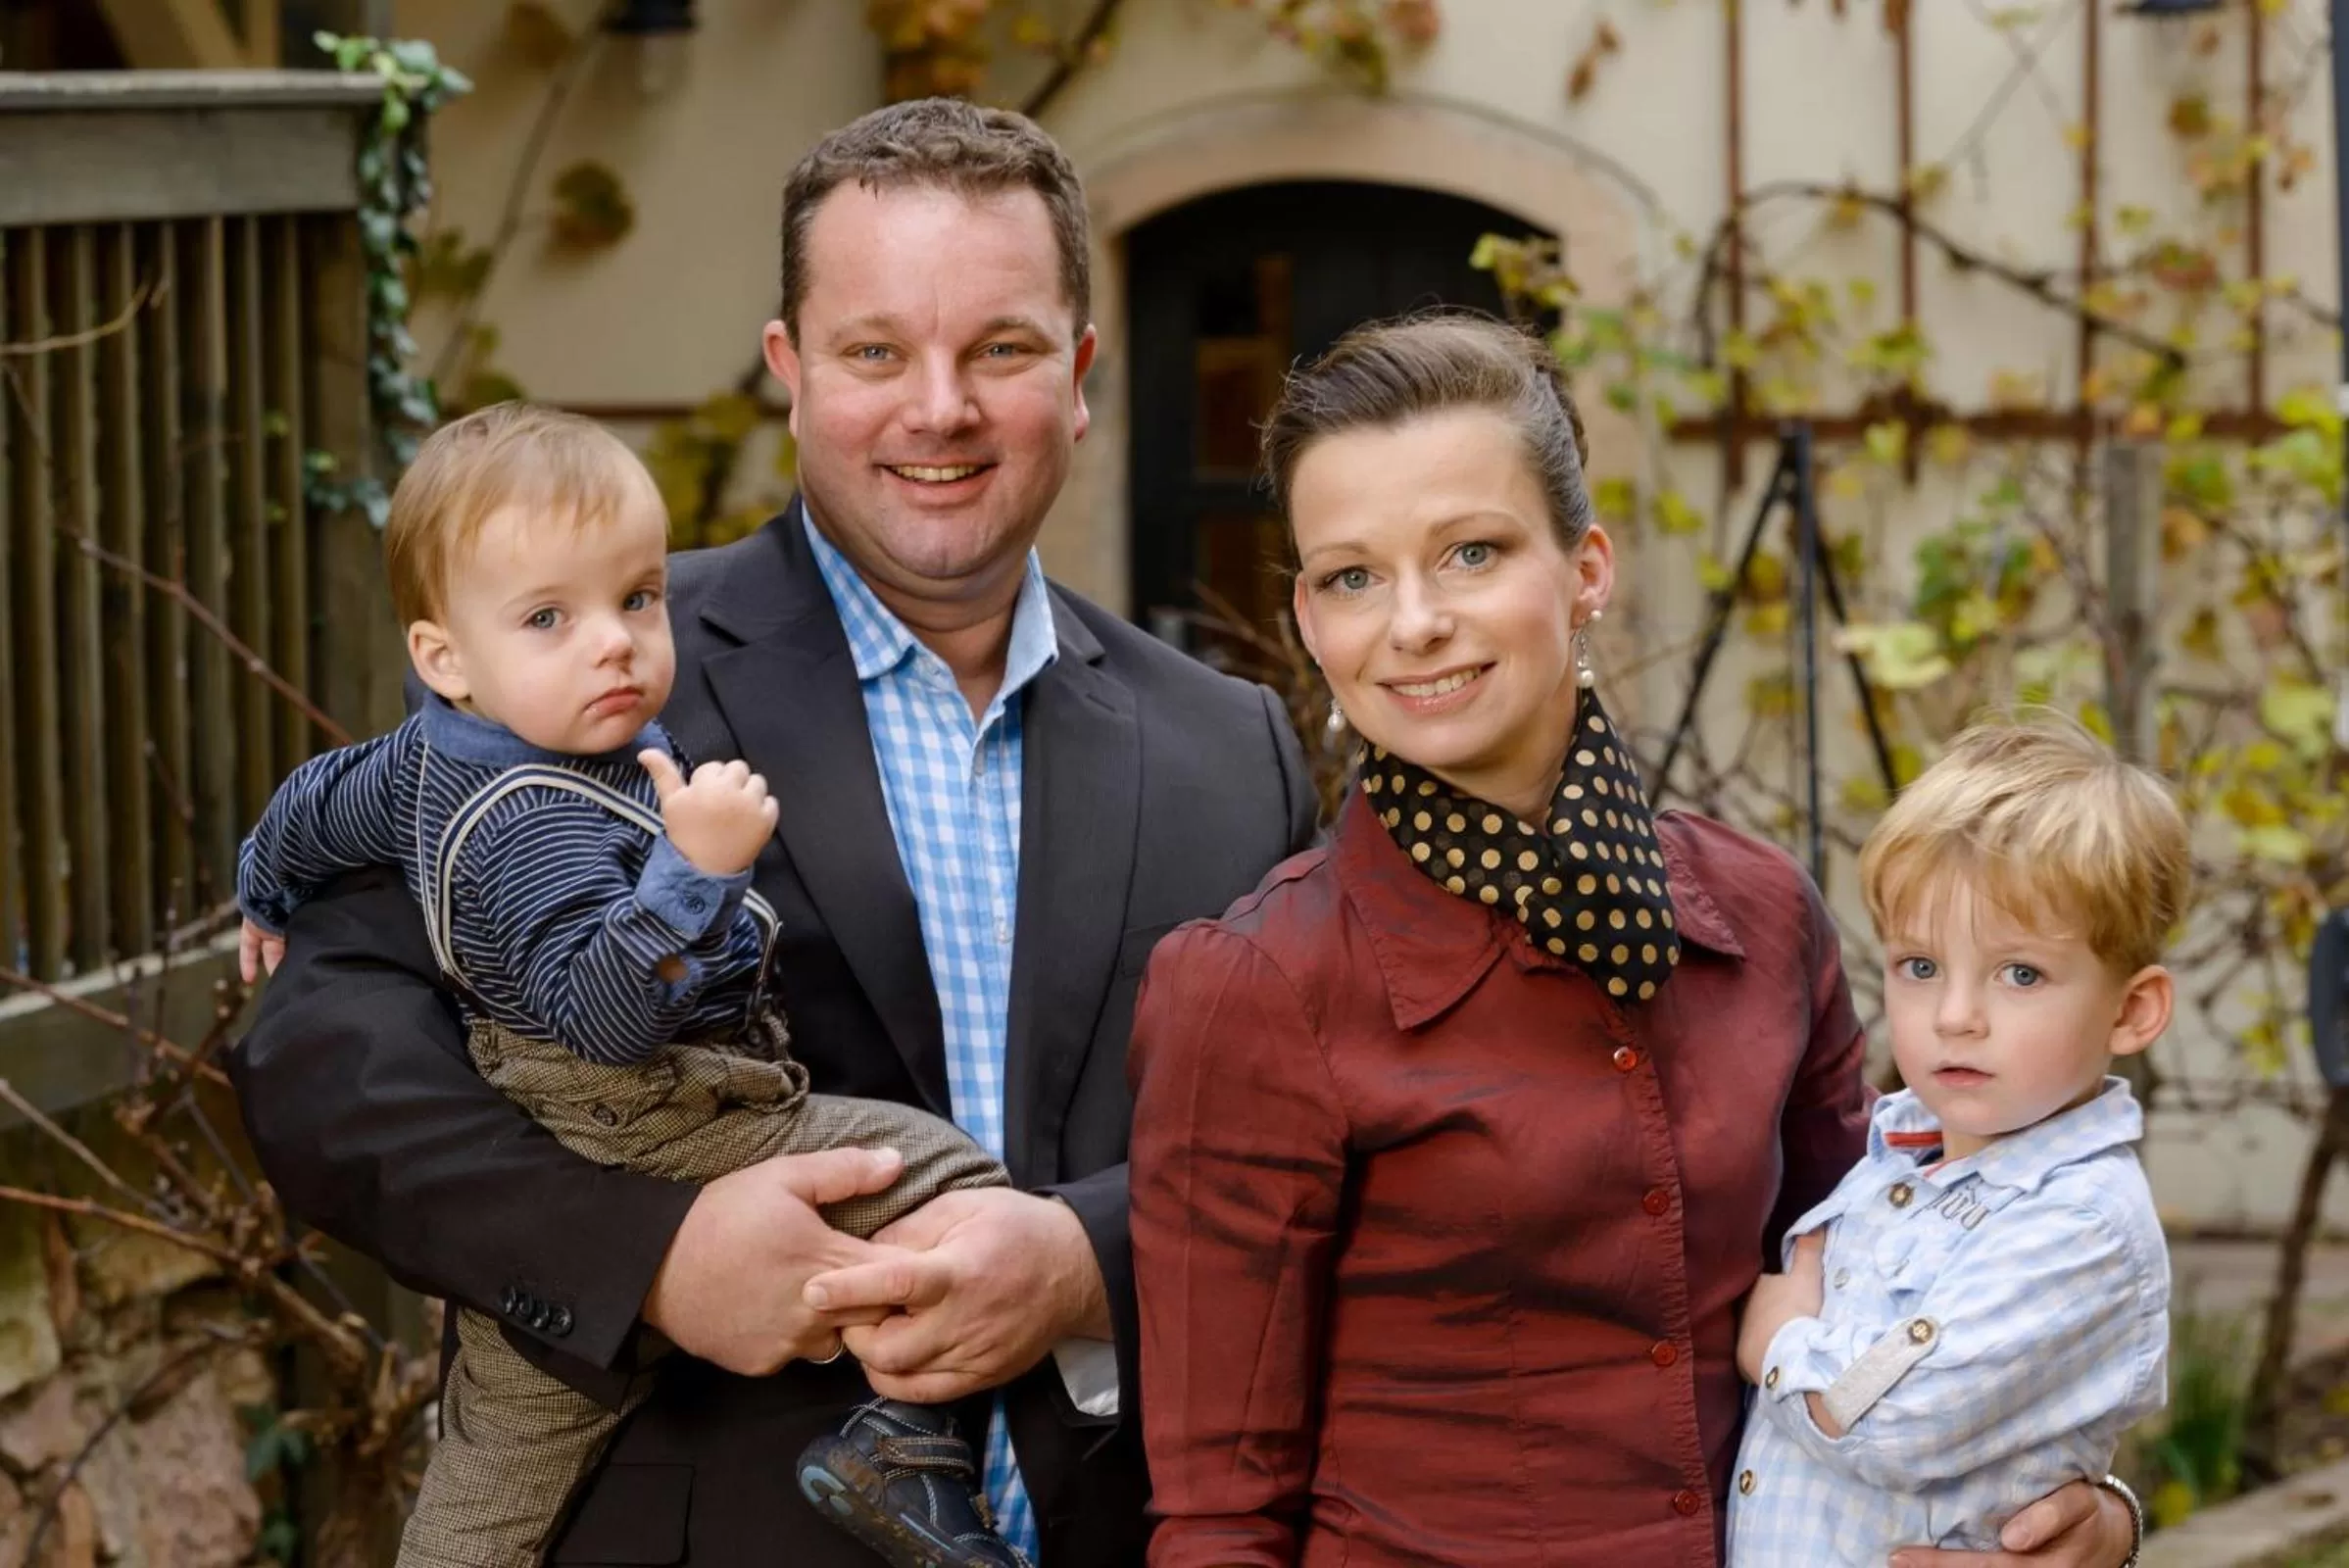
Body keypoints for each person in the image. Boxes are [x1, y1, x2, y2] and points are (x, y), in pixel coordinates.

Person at [227, 98, 1318, 1566]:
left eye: (998, 349)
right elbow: (325, 1066)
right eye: (876, 352)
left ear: (1076, 377)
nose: (939, 408)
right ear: (792, 375)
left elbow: (1306, 1137)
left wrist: (1085, 1265)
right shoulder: (588, 664)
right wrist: (656, 1258)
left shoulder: (1226, 749)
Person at [1124, 312, 2145, 1568]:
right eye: (1352, 576)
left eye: (1470, 553)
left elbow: (1916, 1271)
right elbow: (1220, 1517)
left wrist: (2097, 1515)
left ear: (1587, 568)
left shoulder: (1763, 917)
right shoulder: (1256, 987)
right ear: (1308, 618)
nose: (1413, 623)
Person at [233, 402, 1027, 1568]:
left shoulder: (410, 765)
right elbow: (607, 1012)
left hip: (568, 1140)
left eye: (639, 600)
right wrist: (696, 872)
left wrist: (260, 889)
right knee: (953, 1178)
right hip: (662, 1121)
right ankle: (896, 1443)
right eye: (550, 618)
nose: (614, 642)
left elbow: (310, 806)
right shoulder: (536, 824)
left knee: (493, 1479)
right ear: (441, 656)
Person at [1726, 717, 2178, 1565]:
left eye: (2019, 974)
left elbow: (1893, 1422)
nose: (1953, 1017)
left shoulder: (2079, 1225)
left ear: (2130, 1011)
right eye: (1920, 967)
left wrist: (1778, 1344)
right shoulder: (1894, 1154)